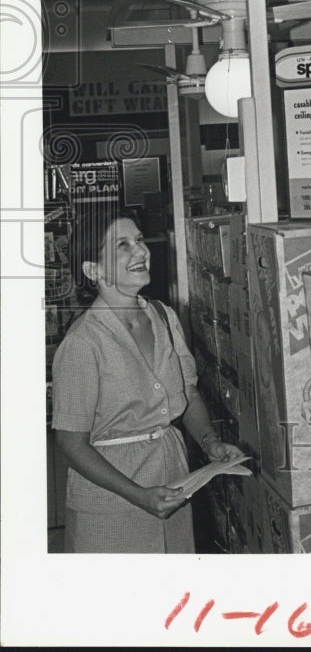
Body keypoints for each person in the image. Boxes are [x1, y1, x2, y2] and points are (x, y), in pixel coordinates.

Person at [51, 207, 245, 553]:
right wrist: (137, 495)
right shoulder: (82, 343)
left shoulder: (163, 317)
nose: (141, 251)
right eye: (122, 245)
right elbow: (71, 444)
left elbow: (186, 393)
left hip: (173, 488)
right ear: (93, 270)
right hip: (111, 506)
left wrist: (211, 444)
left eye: (139, 240)